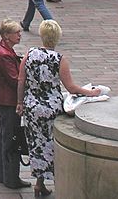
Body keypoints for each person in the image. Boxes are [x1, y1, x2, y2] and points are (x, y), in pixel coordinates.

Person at [17, 20, 101, 196]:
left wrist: (20, 103)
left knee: (37, 145)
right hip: (51, 109)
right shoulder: (59, 59)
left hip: (32, 107)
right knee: (55, 145)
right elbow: (71, 87)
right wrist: (90, 92)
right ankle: (60, 182)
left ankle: (39, 183)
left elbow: (21, 80)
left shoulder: (30, 54)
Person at [0, 20, 31, 190]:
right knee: (11, 138)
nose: (20, 35)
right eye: (16, 32)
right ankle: (11, 178)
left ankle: (2, 174)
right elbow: (14, 80)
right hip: (7, 100)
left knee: (4, 134)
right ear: (6, 36)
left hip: (2, 98)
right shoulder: (5, 54)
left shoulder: (4, 50)